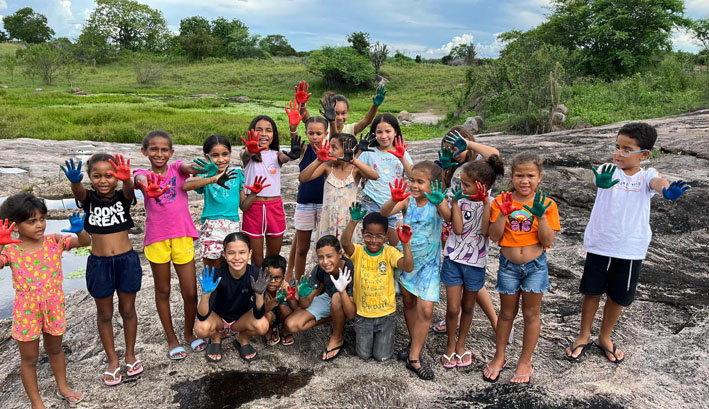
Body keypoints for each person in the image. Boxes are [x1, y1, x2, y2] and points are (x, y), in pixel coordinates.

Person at [564, 122, 690, 364]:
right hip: (600, 243)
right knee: (591, 291)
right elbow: (600, 181)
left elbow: (658, 184)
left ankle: (605, 337)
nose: (619, 153)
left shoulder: (647, 175)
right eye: (617, 147)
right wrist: (601, 183)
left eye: (626, 149)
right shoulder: (608, 169)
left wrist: (666, 192)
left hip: (630, 248)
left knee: (618, 295)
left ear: (644, 155)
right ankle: (583, 335)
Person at [0, 194, 89, 406]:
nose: (40, 224)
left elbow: (85, 243)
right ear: (15, 226)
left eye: (42, 218)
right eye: (31, 221)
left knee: (56, 349)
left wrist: (80, 230)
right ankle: (35, 401)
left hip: (54, 306)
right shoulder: (11, 250)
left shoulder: (54, 241)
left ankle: (63, 387)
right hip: (27, 311)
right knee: (29, 359)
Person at [63, 154, 144, 386]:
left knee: (128, 310)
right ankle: (112, 360)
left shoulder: (122, 197)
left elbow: (129, 191)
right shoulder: (88, 198)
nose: (103, 180)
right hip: (99, 264)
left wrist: (127, 179)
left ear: (116, 177)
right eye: (96, 176)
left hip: (126, 261)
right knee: (105, 314)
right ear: (90, 178)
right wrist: (75, 182)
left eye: (109, 175)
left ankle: (130, 354)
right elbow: (79, 194)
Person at [482, 152, 561, 384]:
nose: (524, 180)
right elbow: (495, 236)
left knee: (531, 314)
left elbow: (548, 242)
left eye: (530, 175)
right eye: (519, 175)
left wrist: (542, 218)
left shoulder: (547, 204)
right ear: (511, 176)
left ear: (539, 177)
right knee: (506, 314)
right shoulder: (501, 201)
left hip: (536, 267)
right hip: (508, 267)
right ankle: (500, 356)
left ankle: (525, 361)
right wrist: (503, 215)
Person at [134, 130, 207, 360]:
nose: (159, 153)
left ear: (171, 152)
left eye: (164, 149)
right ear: (145, 151)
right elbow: (138, 179)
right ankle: (171, 338)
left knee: (190, 291)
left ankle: (187, 332)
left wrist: (199, 167)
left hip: (182, 236)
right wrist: (146, 186)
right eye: (154, 149)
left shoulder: (176, 168)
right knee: (163, 290)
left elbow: (188, 168)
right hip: (157, 238)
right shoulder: (142, 173)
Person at [380, 161, 451, 380]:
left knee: (427, 309)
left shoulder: (436, 203)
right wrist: (394, 197)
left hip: (428, 265)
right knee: (409, 303)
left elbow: (448, 217)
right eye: (412, 180)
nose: (414, 185)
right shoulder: (407, 201)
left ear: (433, 185)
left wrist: (440, 203)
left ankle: (414, 357)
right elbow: (384, 212)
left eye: (420, 182)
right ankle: (414, 349)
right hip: (407, 260)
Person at [432, 126, 502, 335]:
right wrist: (444, 168)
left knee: (474, 281)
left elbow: (496, 156)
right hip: (451, 224)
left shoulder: (478, 164)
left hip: (475, 226)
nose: (452, 152)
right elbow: (443, 192)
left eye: (456, 148)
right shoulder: (452, 167)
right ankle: (456, 318)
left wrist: (469, 144)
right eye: (447, 148)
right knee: (455, 274)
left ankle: (496, 321)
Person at [440, 157, 504, 369]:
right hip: (453, 261)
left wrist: (485, 203)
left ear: (481, 187)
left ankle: (461, 344)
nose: (461, 187)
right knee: (452, 308)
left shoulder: (493, 205)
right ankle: (450, 343)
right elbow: (457, 229)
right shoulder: (458, 200)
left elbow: (486, 231)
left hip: (476, 264)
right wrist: (456, 203)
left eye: (466, 184)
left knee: (468, 307)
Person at [341, 209, 414, 362]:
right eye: (369, 235)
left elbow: (408, 266)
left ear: (387, 236)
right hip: (363, 316)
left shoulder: (389, 252)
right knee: (363, 355)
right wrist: (353, 221)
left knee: (382, 357)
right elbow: (345, 243)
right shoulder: (358, 252)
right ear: (362, 233)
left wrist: (406, 244)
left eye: (379, 236)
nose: (373, 240)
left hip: (386, 316)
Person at [183, 134, 262, 269]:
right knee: (212, 270)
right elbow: (187, 185)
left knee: (233, 268)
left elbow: (243, 206)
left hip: (233, 226)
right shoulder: (206, 174)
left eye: (225, 154)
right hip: (212, 226)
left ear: (231, 154)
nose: (221, 159)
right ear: (206, 156)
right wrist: (212, 178)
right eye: (215, 155)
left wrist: (254, 193)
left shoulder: (237, 173)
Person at [194, 232, 270, 363]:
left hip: (241, 319)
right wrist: (205, 294)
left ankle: (242, 339)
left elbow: (258, 314)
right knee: (200, 328)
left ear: (250, 254)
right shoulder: (216, 275)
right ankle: (216, 336)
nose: (237, 257)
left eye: (242, 252)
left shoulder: (256, 274)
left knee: (263, 325)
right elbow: (202, 316)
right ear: (224, 254)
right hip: (219, 319)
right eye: (231, 253)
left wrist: (259, 295)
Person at [240, 115, 303, 267]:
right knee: (256, 260)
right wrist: (250, 150)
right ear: (251, 132)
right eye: (259, 130)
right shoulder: (247, 154)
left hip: (274, 208)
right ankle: (257, 290)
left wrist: (292, 154)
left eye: (268, 130)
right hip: (253, 206)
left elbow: (284, 158)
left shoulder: (275, 154)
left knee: (273, 259)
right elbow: (245, 155)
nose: (263, 134)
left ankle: (270, 289)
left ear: (273, 135)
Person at [282, 235, 356, 361]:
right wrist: (302, 294)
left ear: (339, 254)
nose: (325, 262)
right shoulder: (320, 269)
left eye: (329, 256)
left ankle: (336, 338)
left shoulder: (350, 268)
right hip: (329, 298)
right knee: (292, 324)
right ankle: (336, 316)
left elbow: (351, 315)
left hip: (347, 301)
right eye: (321, 257)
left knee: (337, 297)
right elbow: (306, 303)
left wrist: (343, 292)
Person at [299, 133, 378, 241]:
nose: (330, 151)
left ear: (347, 150)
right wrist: (318, 160)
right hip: (328, 221)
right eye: (329, 146)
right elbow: (303, 178)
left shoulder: (355, 170)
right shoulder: (327, 167)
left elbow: (375, 176)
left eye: (334, 148)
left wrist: (354, 160)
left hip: (347, 221)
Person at [358, 114, 414, 244]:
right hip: (371, 202)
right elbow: (355, 171)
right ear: (373, 133)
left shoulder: (402, 152)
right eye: (379, 132)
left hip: (395, 203)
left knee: (396, 245)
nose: (383, 136)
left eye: (388, 131)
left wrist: (402, 157)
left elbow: (412, 176)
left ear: (395, 132)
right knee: (371, 243)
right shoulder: (368, 152)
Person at [286, 115, 328, 282]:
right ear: (306, 133)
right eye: (311, 133)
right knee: (302, 248)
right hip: (305, 203)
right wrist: (293, 128)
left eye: (319, 133)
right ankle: (299, 281)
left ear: (326, 134)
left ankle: (323, 280)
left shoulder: (330, 150)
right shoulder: (304, 149)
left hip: (325, 203)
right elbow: (294, 139)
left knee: (325, 246)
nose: (315, 137)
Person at [298, 81, 386, 137]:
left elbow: (366, 121)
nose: (340, 117)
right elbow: (307, 119)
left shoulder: (351, 129)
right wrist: (302, 105)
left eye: (343, 113)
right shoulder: (321, 128)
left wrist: (375, 105)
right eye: (335, 113)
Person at [261, 254, 297, 346]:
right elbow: (260, 311)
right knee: (267, 316)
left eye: (277, 278)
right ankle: (270, 330)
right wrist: (276, 300)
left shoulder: (285, 286)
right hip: (268, 313)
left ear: (283, 277)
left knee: (285, 308)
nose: (272, 281)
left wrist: (291, 297)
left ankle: (285, 329)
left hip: (281, 314)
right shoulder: (260, 288)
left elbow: (295, 309)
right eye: (268, 276)